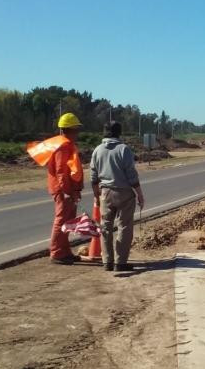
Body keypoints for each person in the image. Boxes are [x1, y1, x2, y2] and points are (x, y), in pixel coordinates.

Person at [90, 121, 145, 272]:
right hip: (124, 193)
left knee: (105, 227)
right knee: (125, 226)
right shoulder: (124, 150)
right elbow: (132, 176)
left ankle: (107, 261)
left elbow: (93, 177)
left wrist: (97, 195)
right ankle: (120, 262)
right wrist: (140, 195)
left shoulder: (97, 150)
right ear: (119, 133)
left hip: (105, 192)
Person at [47, 113, 84, 265]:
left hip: (69, 190)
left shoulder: (67, 144)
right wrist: (67, 191)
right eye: (76, 129)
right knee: (61, 221)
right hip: (64, 191)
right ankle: (56, 252)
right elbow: (61, 171)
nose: (78, 132)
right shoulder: (62, 146)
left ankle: (65, 251)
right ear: (69, 129)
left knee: (68, 222)